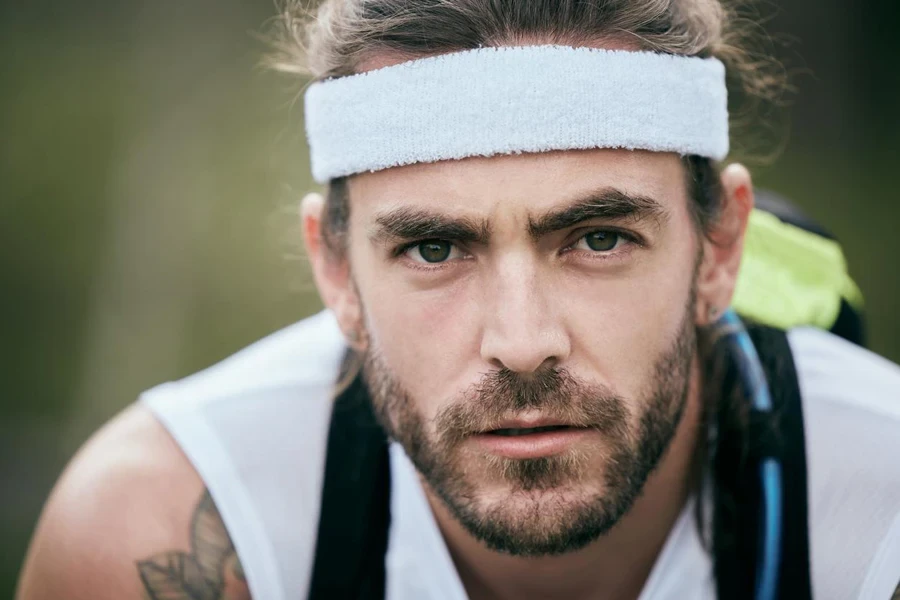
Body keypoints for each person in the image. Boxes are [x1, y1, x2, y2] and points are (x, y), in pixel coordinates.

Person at [16, 1, 900, 599]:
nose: (521, 342)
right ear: (336, 274)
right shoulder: (162, 522)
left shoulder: (880, 523)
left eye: (599, 239)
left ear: (719, 251)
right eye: (434, 248)